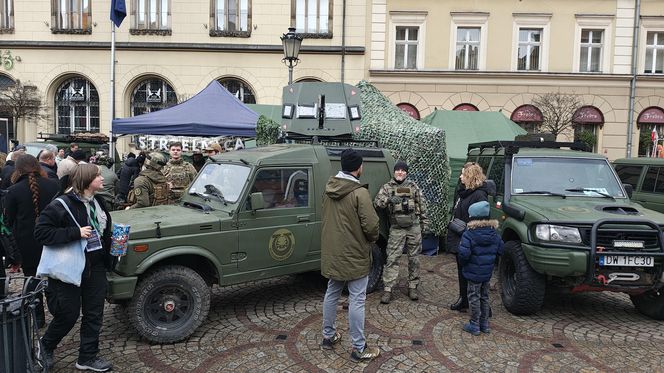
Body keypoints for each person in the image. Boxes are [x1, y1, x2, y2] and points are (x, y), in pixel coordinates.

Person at [34, 164, 114, 372]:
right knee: (67, 314)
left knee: (94, 313)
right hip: (69, 267)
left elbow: (102, 231)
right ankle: (45, 347)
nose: (102, 178)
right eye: (98, 175)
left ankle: (87, 357)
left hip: (95, 267)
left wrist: (114, 245)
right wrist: (74, 233)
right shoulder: (61, 204)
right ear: (87, 180)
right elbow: (41, 233)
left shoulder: (98, 201)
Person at [320, 148, 381, 363]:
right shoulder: (359, 192)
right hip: (355, 253)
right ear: (358, 168)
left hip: (333, 251)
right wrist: (370, 240)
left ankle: (328, 336)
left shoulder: (329, 188)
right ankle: (359, 347)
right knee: (357, 299)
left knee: (332, 292)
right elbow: (372, 226)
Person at [4, 154, 61, 327]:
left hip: (26, 242)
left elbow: (8, 221)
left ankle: (38, 318)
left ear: (18, 169)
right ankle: (59, 314)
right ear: (38, 166)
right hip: (51, 239)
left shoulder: (14, 190)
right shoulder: (53, 185)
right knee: (53, 278)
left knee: (31, 279)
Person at [374, 160, 429, 304]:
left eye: (403, 170)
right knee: (392, 258)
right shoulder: (387, 187)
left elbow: (422, 205)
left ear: (406, 172)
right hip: (396, 228)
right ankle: (388, 289)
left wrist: (425, 224)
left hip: (413, 226)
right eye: (398, 170)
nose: (400, 172)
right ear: (394, 172)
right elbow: (377, 203)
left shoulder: (413, 187)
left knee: (414, 258)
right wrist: (389, 200)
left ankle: (413, 286)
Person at [447, 163, 491, 312]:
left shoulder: (479, 195)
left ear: (470, 177)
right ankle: (464, 299)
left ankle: (480, 306)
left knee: (473, 273)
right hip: (461, 238)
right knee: (462, 271)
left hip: (470, 239)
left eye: (463, 174)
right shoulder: (464, 192)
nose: (460, 177)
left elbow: (481, 221)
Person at [458, 201, 504, 336]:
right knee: (484, 297)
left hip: (473, 273)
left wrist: (464, 264)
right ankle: (485, 324)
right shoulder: (494, 233)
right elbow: (501, 250)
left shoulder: (469, 234)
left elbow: (463, 254)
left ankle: (474, 325)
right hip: (487, 273)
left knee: (473, 297)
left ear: (472, 217)